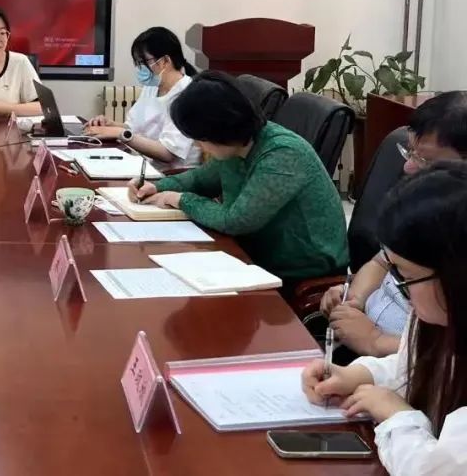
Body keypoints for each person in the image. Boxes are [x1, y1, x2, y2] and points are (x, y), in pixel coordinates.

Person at [302, 163, 467, 475]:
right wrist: (359, 375)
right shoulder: (439, 319)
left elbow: (435, 471)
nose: (400, 290)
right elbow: (416, 364)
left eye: (406, 276)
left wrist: (396, 415)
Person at [130, 71, 347, 284]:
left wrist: (179, 199)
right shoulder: (236, 145)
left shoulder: (283, 154)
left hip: (300, 269)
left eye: (199, 138)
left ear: (220, 130)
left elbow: (235, 221)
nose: (197, 145)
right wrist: (157, 187)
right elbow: (200, 180)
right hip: (254, 253)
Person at [319, 91, 467, 359]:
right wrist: (354, 300)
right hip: (367, 350)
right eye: (410, 152)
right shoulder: (424, 204)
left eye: (425, 160)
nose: (408, 167)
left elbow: (449, 352)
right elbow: (382, 261)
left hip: (406, 363)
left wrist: (375, 340)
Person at [84, 27, 201, 166]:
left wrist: (120, 133)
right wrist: (110, 125)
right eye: (138, 63)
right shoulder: (152, 87)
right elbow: (133, 128)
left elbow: (168, 153)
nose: (140, 68)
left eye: (143, 62)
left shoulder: (187, 95)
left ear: (165, 61)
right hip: (144, 165)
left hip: (171, 174)